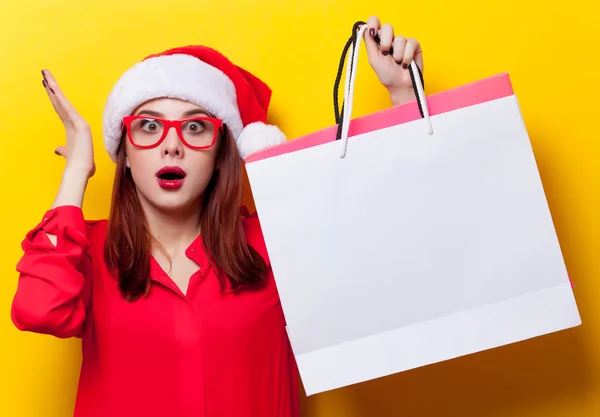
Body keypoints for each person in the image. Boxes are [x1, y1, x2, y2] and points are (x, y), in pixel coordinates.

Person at [11, 16, 424, 417]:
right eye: (149, 126)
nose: (171, 145)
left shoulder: (275, 243)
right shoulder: (86, 251)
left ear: (220, 157)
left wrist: (406, 99)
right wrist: (77, 172)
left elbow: (385, 257)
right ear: (127, 156)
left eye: (195, 128)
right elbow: (38, 309)